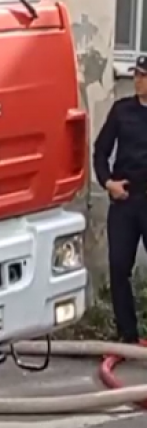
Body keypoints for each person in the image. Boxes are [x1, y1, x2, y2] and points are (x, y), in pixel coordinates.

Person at [92, 56, 147, 344]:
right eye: (136, 74)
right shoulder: (121, 110)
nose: (138, 80)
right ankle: (127, 334)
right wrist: (108, 183)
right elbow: (100, 151)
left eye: (143, 75)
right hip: (125, 200)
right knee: (118, 266)